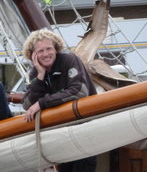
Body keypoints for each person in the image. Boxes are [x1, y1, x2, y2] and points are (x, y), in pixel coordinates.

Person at [22, 28, 97, 172]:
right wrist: (40, 76)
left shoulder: (69, 60)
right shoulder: (35, 72)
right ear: (33, 56)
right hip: (61, 135)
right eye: (40, 51)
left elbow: (79, 91)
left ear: (56, 49)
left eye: (49, 49)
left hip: (83, 129)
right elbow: (28, 104)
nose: (46, 54)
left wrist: (42, 103)